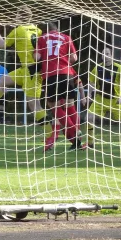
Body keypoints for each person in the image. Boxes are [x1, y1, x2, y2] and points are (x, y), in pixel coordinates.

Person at [0, 6, 51, 139]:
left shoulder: (19, 30)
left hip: (31, 71)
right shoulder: (37, 30)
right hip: (26, 69)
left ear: (19, 16)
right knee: (3, 80)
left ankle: (50, 133)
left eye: (16, 15)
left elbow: (2, 45)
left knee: (33, 104)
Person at [34, 22, 82, 151]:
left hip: (50, 74)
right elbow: (74, 58)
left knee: (54, 107)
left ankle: (74, 130)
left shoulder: (42, 38)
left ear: (45, 30)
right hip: (66, 74)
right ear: (57, 29)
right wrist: (63, 60)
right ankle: (76, 141)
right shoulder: (66, 37)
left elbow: (37, 57)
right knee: (69, 105)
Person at [85, 46, 121, 154]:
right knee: (88, 118)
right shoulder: (97, 68)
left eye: (107, 54)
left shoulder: (120, 68)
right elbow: (91, 82)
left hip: (115, 100)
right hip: (100, 99)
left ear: (112, 55)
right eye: (103, 54)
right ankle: (90, 144)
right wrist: (89, 94)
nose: (105, 56)